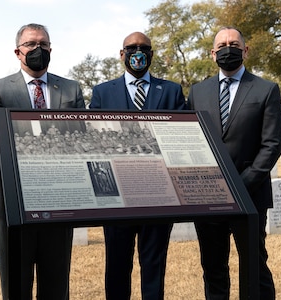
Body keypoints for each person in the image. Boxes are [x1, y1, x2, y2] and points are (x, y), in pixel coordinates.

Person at [0, 23, 85, 300]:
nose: (37, 49)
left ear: (51, 49)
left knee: (56, 286)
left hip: (60, 202)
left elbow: (81, 139)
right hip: (14, 203)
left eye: (43, 44)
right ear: (18, 52)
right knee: (16, 284)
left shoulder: (71, 89)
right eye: (31, 44)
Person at [188, 26, 281, 300]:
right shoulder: (197, 91)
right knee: (214, 268)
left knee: (254, 267)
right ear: (212, 53)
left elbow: (272, 144)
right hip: (208, 198)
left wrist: (241, 186)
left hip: (250, 196)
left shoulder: (266, 90)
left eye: (233, 43)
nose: (227, 48)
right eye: (222, 45)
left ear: (245, 50)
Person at [89, 31, 186, 300]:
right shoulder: (102, 93)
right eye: (131, 48)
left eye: (144, 48)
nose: (138, 52)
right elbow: (95, 140)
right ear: (122, 54)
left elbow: (182, 139)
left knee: (154, 266)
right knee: (117, 266)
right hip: (117, 196)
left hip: (159, 193)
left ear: (152, 55)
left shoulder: (171, 91)